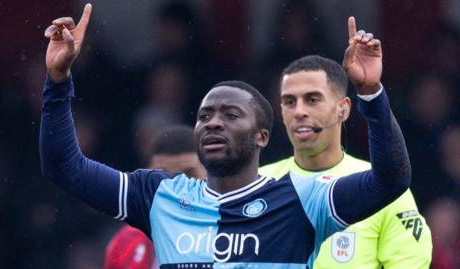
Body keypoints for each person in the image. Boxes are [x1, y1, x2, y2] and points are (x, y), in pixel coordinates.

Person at [40, 4, 411, 268]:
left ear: (262, 137)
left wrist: (372, 94)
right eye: (204, 116)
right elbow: (64, 168)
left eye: (231, 115)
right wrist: (58, 82)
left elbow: (390, 179)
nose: (213, 123)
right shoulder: (159, 196)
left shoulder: (302, 199)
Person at [259, 61, 432, 267]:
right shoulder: (258, 184)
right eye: (289, 102)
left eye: (312, 100)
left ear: (343, 109)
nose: (299, 112)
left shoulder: (384, 187)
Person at [105, 125, 206, 269]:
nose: (175, 189)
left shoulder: (237, 241)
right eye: (161, 176)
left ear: (211, 176)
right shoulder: (125, 244)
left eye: (188, 175)